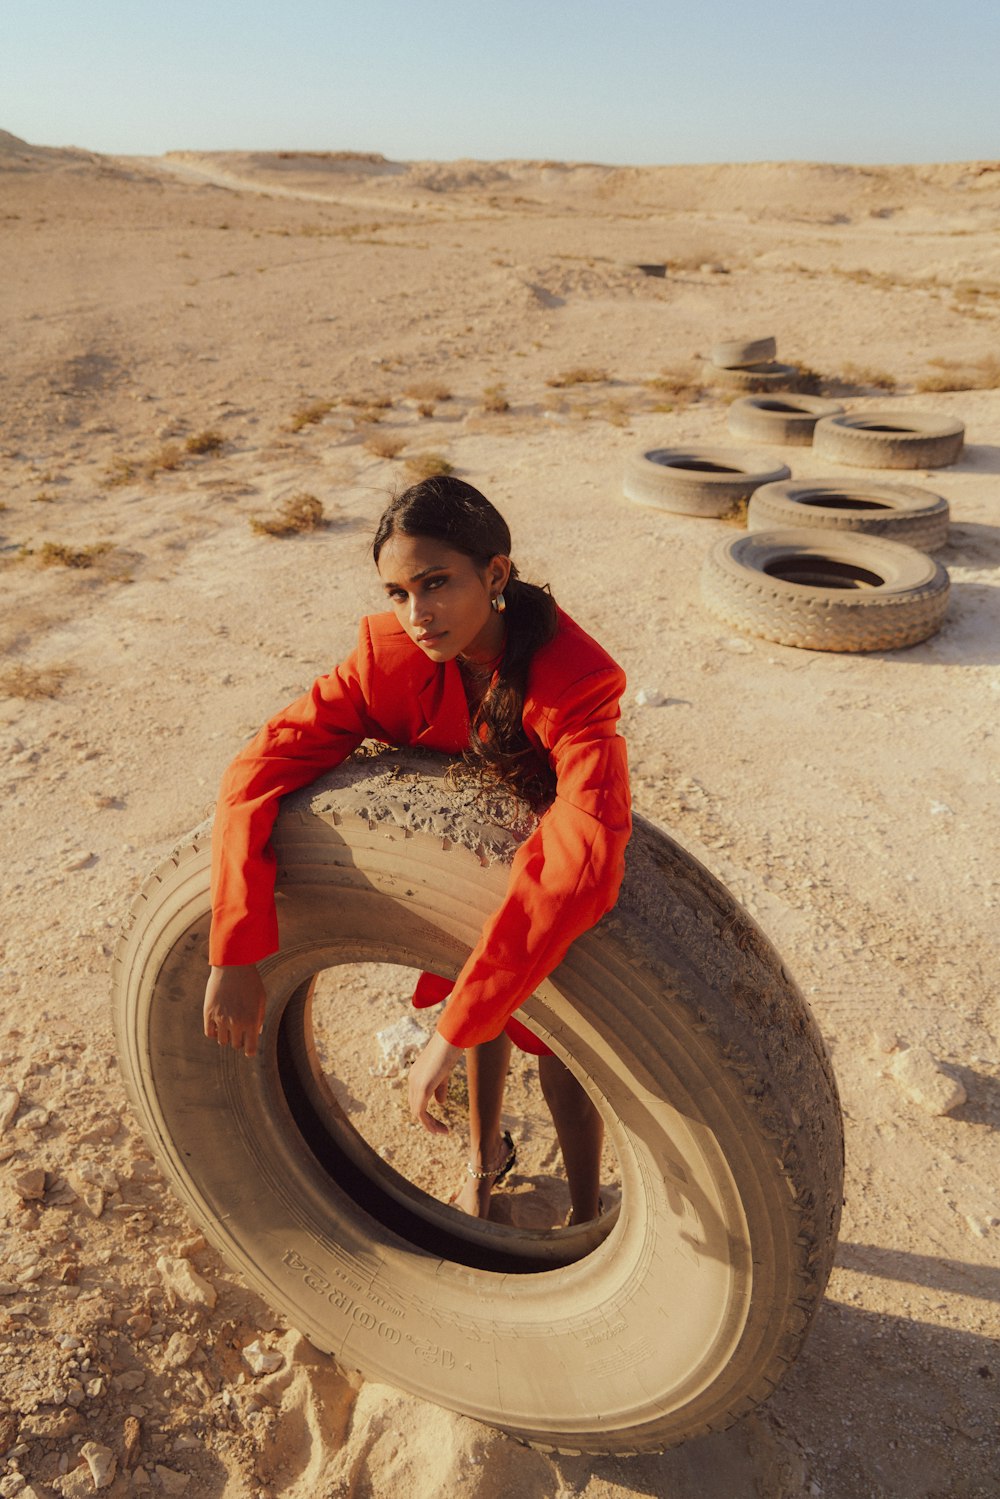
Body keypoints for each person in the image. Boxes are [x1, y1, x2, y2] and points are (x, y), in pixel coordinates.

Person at [203, 477, 632, 1222]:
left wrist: (445, 1034)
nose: (417, 613)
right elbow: (258, 767)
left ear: (495, 574)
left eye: (436, 584)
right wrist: (235, 950)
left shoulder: (577, 678)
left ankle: (588, 1208)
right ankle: (483, 1167)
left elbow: (579, 862)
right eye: (397, 592)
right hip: (461, 868)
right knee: (476, 1017)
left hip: (541, 879)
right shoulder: (387, 657)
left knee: (555, 1044)